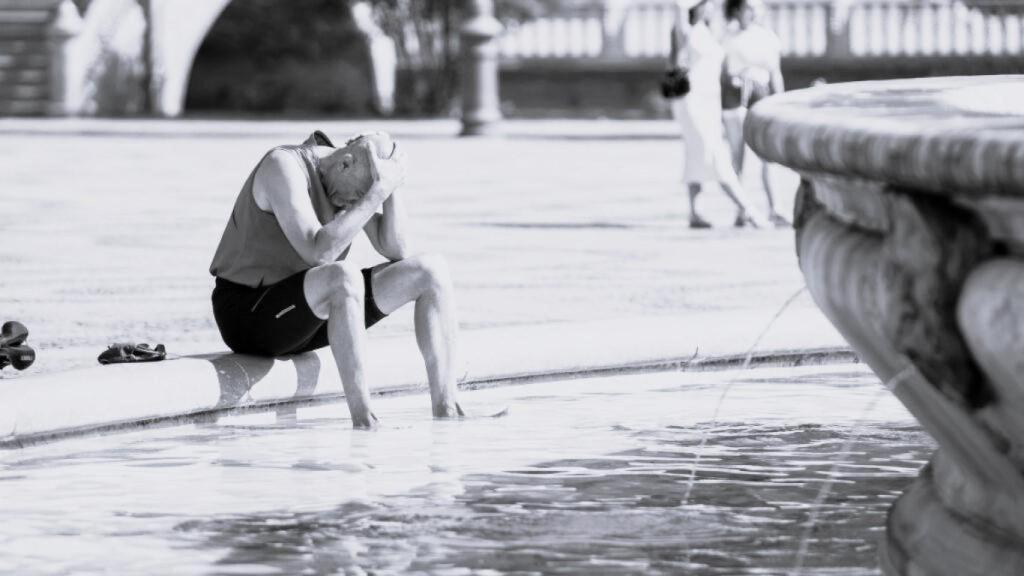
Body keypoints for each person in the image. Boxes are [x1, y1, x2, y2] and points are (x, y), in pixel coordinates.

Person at [209, 130, 463, 428]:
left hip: (307, 312)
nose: (353, 204)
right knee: (343, 275)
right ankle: (364, 421)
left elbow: (396, 249)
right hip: (249, 315)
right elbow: (319, 251)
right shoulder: (282, 167)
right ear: (344, 163)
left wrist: (391, 187)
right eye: (357, 196)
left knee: (431, 271)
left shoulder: (346, 179)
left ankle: (447, 410)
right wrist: (376, 193)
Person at [668, 0, 764, 229]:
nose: (711, 6)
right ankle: (747, 209)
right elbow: (679, 13)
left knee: (695, 153)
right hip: (691, 100)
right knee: (714, 154)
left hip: (710, 102)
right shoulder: (685, 29)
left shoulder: (708, 30)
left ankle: (695, 212)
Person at [721, 0, 789, 227]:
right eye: (748, 7)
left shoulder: (767, 37)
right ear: (738, 10)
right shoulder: (727, 36)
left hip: (761, 95)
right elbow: (721, 71)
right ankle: (741, 209)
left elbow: (775, 73)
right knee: (737, 155)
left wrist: (780, 102)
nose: (752, 12)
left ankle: (775, 207)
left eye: (754, 7)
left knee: (767, 157)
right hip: (735, 96)